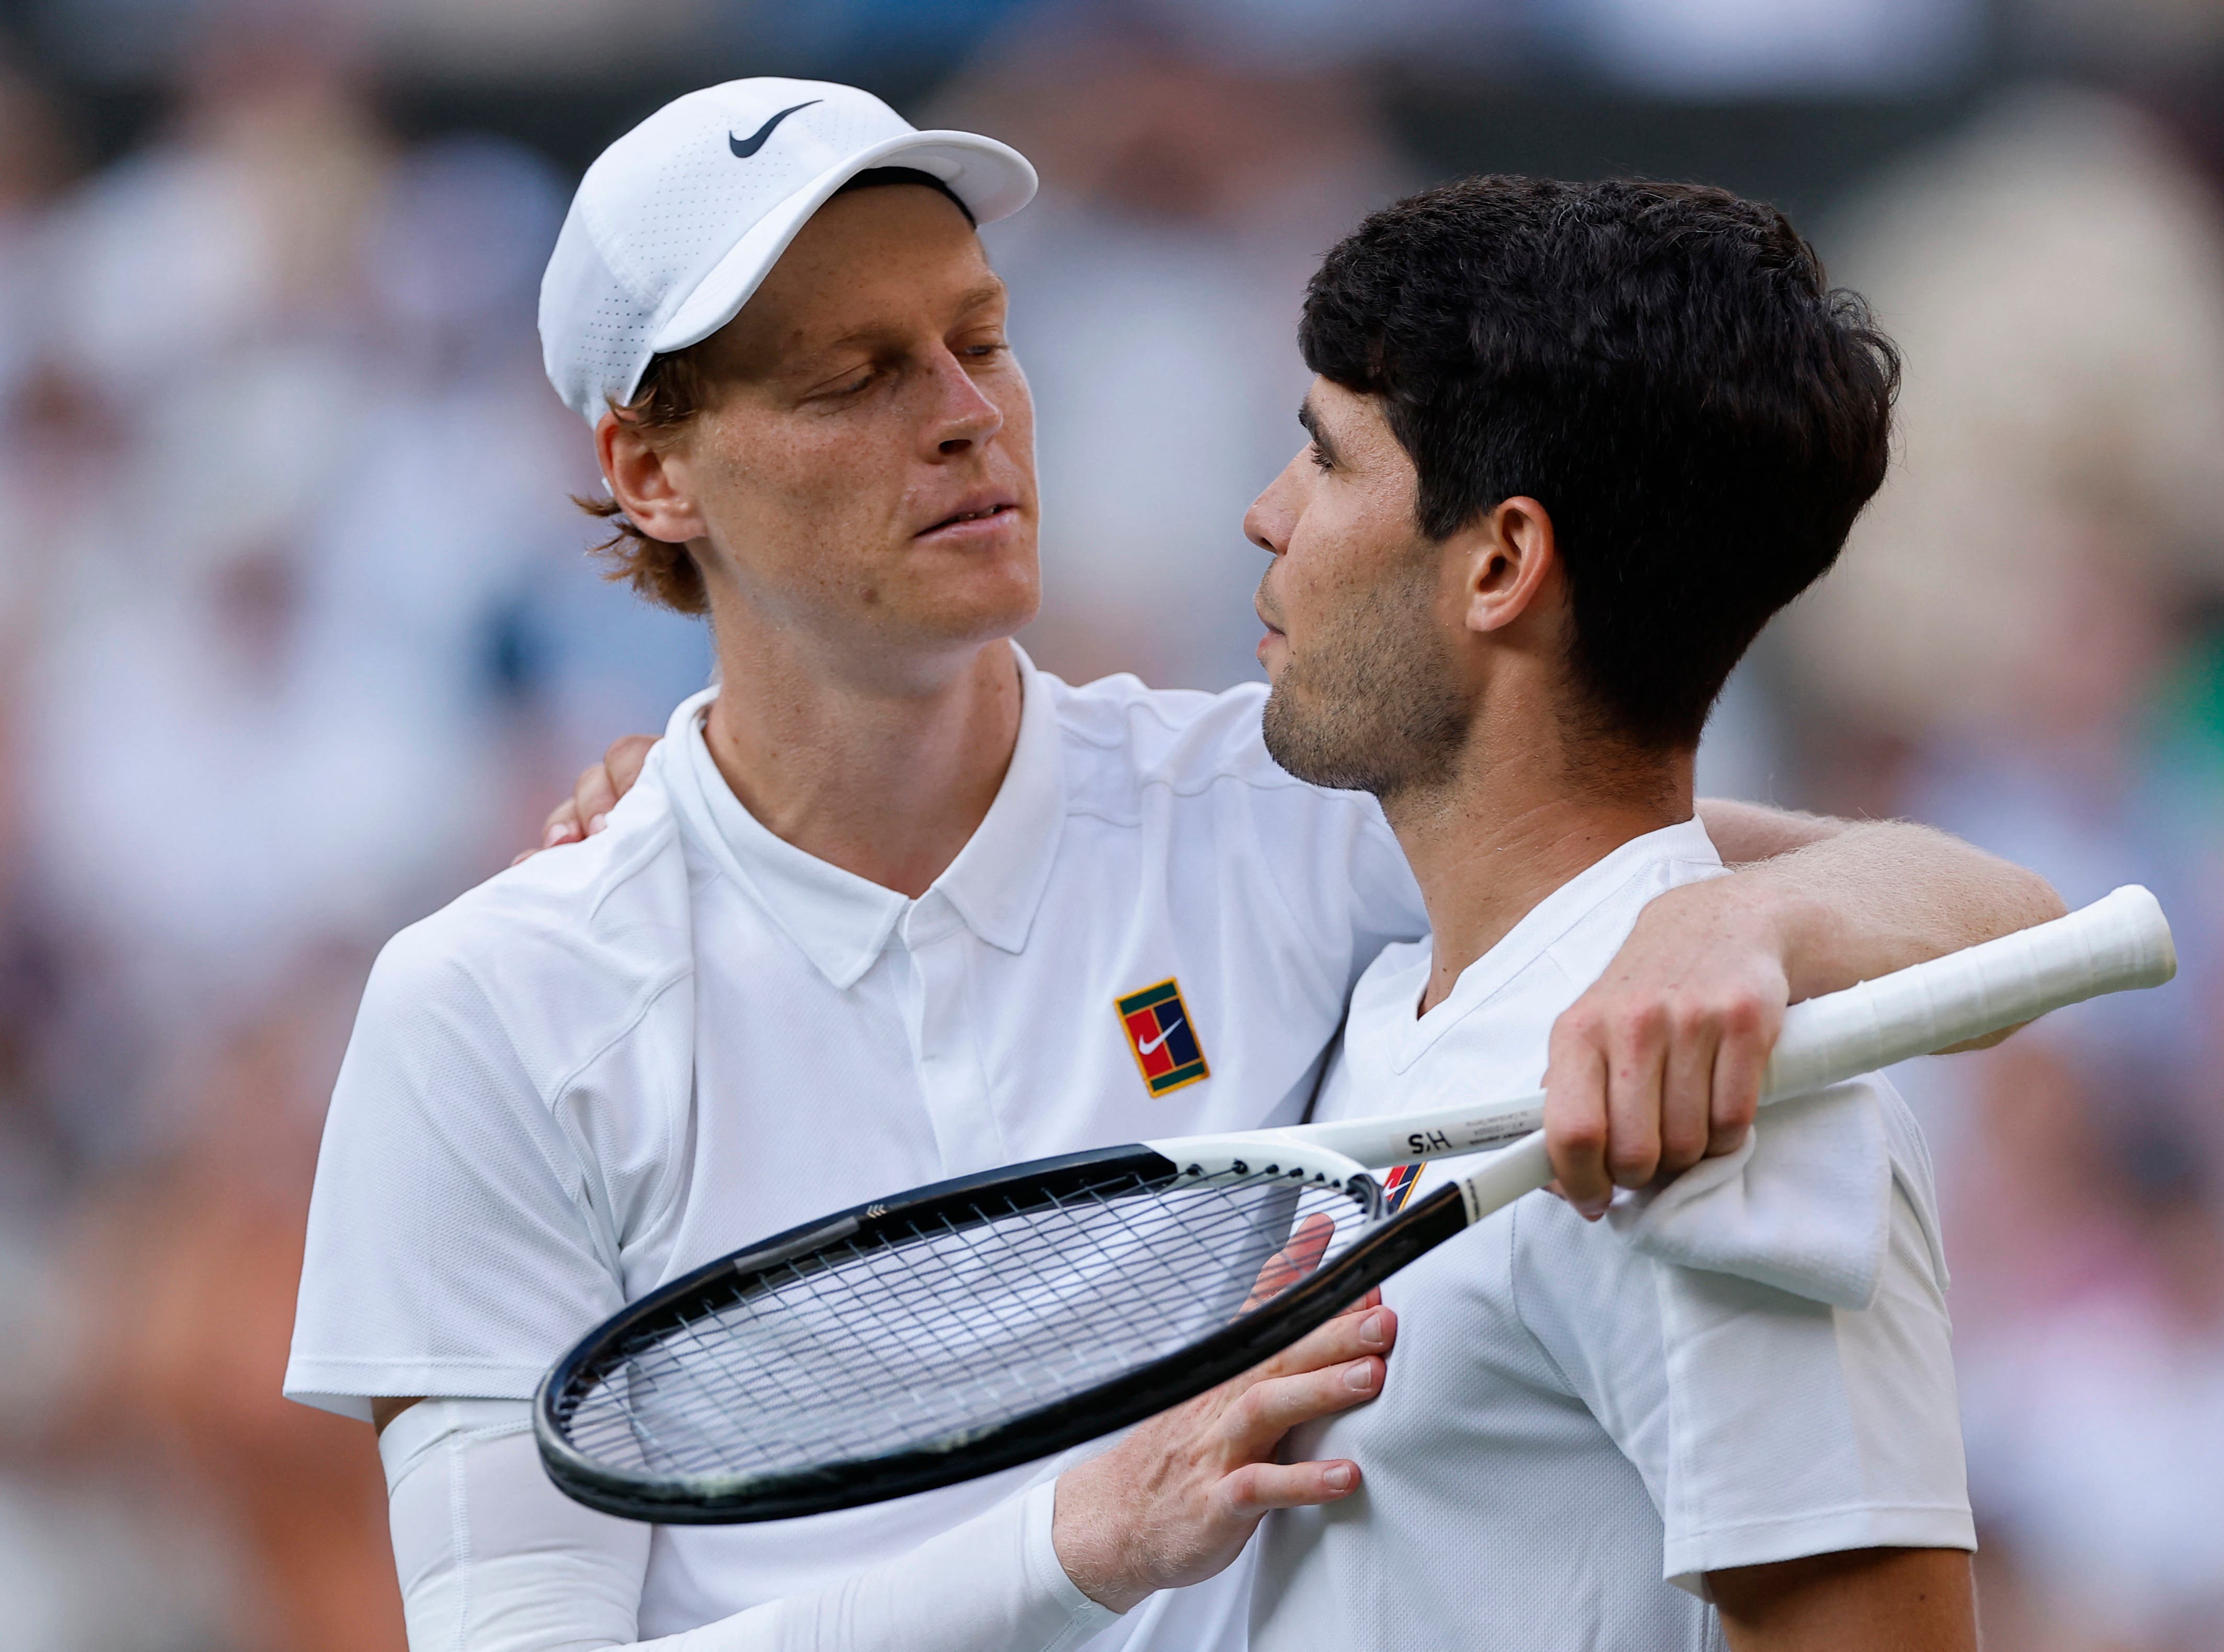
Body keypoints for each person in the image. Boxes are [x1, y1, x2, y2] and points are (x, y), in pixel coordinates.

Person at [288, 81, 2054, 1651]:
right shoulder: (488, 1006)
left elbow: (1976, 913)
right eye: (857, 378)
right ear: (649, 471)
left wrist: (1749, 915)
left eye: (983, 337)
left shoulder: (1289, 797)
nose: (968, 413)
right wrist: (1072, 1547)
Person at [1229, 176, 1973, 1650]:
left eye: (1323, 459)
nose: (1267, 517)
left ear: (1499, 564)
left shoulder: (1722, 1125)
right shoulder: (1394, 987)